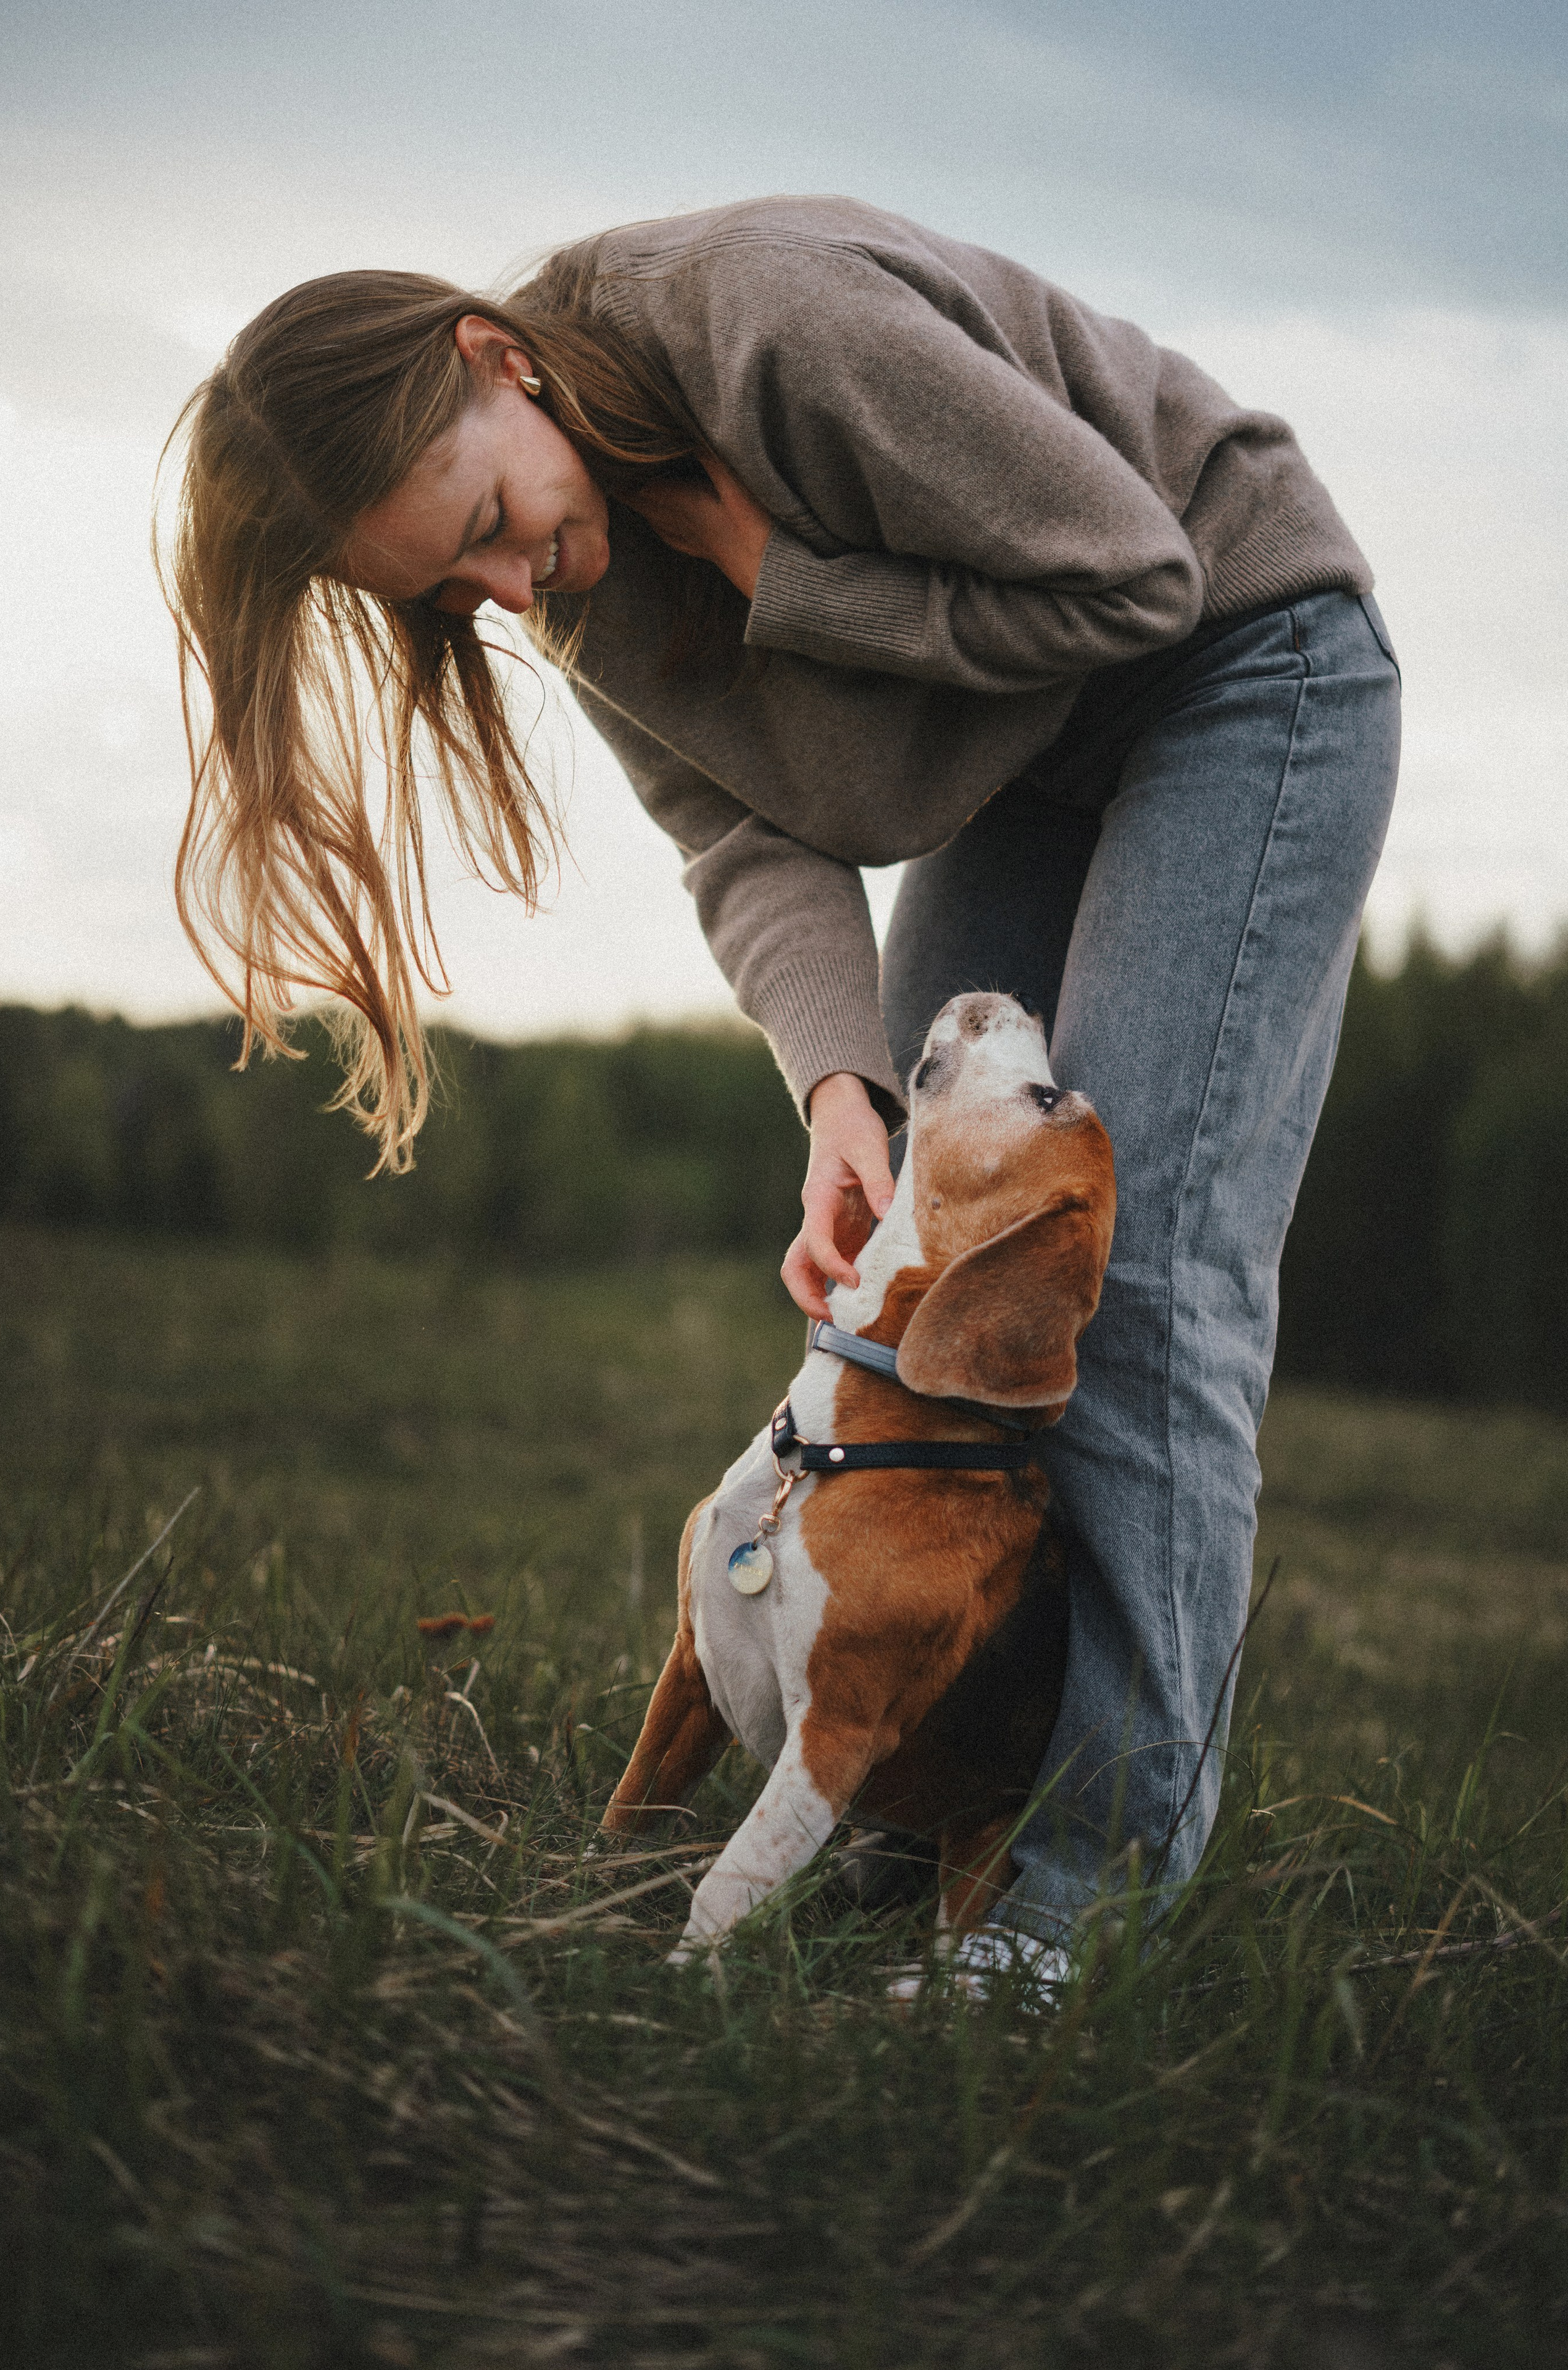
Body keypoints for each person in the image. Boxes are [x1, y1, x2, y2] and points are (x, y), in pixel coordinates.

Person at [159, 195, 1399, 1981]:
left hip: (1244, 671)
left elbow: (1137, 578)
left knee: (1098, 1292)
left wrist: (784, 576)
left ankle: (1090, 1890)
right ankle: (925, 1802)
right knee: (921, 1281)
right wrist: (839, 1095)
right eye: (450, 589)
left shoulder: (769, 330)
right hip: (1026, 757)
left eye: (493, 527)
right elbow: (740, 832)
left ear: (495, 362)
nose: (511, 592)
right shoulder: (564, 559)